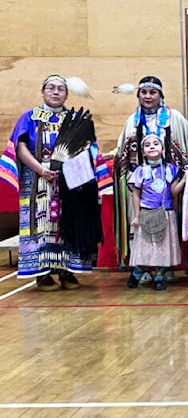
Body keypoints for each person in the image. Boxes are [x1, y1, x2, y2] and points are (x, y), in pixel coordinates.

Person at [0, 75, 110, 290]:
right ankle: (43, 273)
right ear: (43, 91)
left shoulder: (75, 119)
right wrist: (41, 169)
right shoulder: (29, 117)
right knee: (41, 225)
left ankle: (67, 271)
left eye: (61, 88)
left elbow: (87, 148)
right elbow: (19, 147)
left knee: (68, 222)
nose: (56, 92)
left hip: (70, 181)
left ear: (67, 94)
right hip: (37, 180)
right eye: (51, 88)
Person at [114, 76, 188, 282]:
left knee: (167, 225)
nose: (148, 96)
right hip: (140, 184)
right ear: (138, 95)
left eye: (153, 92)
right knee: (141, 227)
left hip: (168, 183)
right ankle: (142, 265)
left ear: (161, 95)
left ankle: (165, 266)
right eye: (144, 92)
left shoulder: (174, 118)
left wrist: (187, 175)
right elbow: (122, 149)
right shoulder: (132, 121)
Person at [126, 133, 186, 291]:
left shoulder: (170, 169)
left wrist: (185, 180)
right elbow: (136, 194)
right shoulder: (140, 171)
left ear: (163, 149)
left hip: (165, 214)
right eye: (147, 145)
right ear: (143, 151)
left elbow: (174, 192)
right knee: (146, 247)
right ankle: (137, 272)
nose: (152, 147)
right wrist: (137, 216)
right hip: (147, 214)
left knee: (162, 248)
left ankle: (159, 276)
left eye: (155, 144)